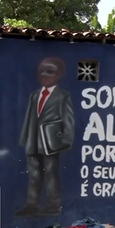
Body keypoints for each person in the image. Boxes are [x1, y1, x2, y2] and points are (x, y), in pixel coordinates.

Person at [16, 57, 75, 217]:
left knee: (50, 172)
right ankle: (32, 204)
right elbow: (29, 117)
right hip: (33, 140)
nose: (44, 75)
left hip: (50, 142)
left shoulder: (62, 96)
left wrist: (65, 140)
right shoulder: (35, 95)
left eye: (50, 71)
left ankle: (53, 204)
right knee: (33, 174)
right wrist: (25, 137)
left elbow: (68, 120)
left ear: (59, 74)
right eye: (41, 71)